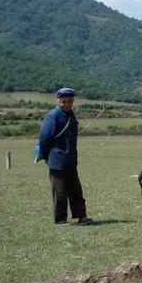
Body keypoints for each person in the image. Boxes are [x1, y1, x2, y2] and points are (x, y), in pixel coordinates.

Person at [38, 88, 92, 225]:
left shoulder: (71, 115)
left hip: (71, 160)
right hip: (57, 161)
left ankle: (82, 217)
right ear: (58, 101)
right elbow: (44, 138)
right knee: (60, 192)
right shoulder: (52, 116)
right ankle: (60, 220)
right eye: (64, 102)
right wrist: (44, 155)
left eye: (70, 102)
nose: (67, 104)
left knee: (76, 191)